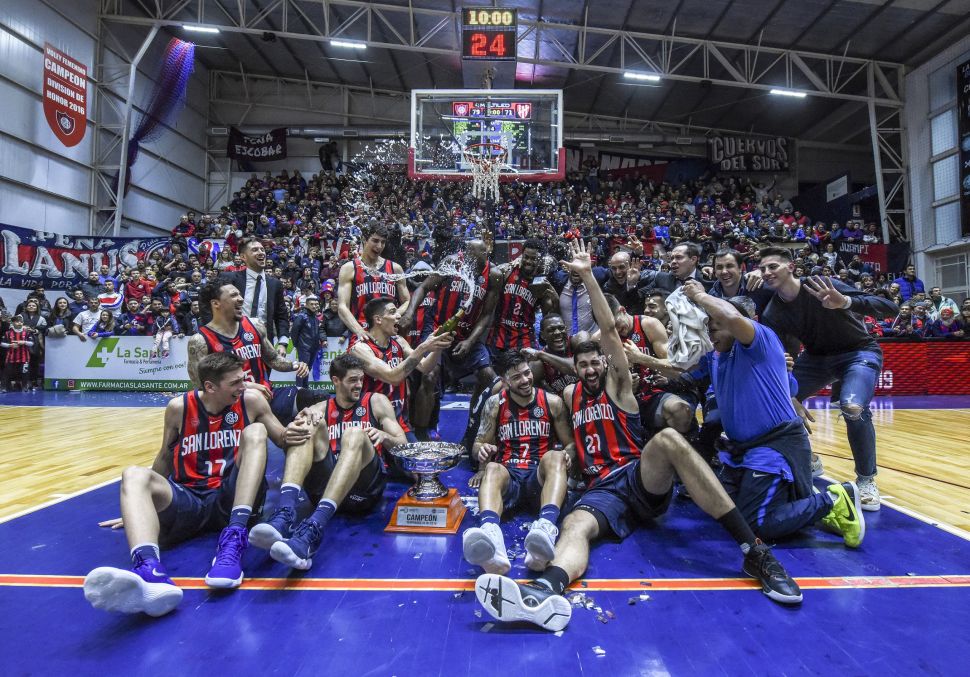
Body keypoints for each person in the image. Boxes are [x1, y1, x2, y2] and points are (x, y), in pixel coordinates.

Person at [475, 239, 802, 633]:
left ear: (605, 362)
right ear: (575, 368)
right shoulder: (568, 395)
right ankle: (544, 591)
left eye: (595, 362)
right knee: (575, 525)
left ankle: (755, 551)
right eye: (583, 365)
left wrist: (587, 276)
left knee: (667, 440)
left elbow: (609, 330)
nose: (590, 369)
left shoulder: (618, 385)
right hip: (601, 488)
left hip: (637, 476)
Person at [82, 352, 311, 616]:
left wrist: (300, 424)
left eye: (243, 379)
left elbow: (282, 438)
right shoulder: (178, 408)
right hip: (190, 499)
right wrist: (141, 505)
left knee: (256, 431)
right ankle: (149, 572)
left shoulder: (251, 401)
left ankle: (234, 536)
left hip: (231, 497)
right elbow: (165, 456)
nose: (244, 385)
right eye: (236, 382)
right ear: (210, 386)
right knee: (133, 474)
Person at [681, 280, 864, 545]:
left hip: (773, 447)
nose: (711, 334)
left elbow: (732, 318)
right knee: (722, 510)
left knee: (757, 524)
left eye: (715, 327)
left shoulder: (760, 338)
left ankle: (834, 499)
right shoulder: (719, 355)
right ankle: (798, 497)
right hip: (744, 449)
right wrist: (641, 360)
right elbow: (680, 368)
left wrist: (699, 295)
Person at [758, 246, 899, 510]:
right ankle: (810, 460)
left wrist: (845, 302)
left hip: (858, 351)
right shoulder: (772, 313)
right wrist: (788, 394)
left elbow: (890, 308)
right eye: (762, 268)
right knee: (773, 401)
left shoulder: (820, 283)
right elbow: (782, 359)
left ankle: (866, 480)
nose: (766, 272)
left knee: (853, 408)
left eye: (773, 266)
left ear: (791, 267)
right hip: (816, 359)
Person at [258, 354, 407, 570]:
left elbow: (404, 447)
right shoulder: (319, 408)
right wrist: (293, 428)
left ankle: (315, 526)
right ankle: (285, 513)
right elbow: (288, 444)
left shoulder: (376, 401)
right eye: (353, 380)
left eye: (361, 379)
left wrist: (385, 437)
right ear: (336, 380)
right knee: (307, 424)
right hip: (324, 488)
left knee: (355, 433)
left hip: (363, 490)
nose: (359, 385)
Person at [462, 350, 575, 574]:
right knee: (492, 468)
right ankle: (491, 538)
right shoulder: (495, 404)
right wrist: (482, 451)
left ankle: (546, 528)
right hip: (509, 479)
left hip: (538, 480)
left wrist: (568, 455)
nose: (524, 380)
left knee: (556, 455)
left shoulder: (552, 402)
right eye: (516, 377)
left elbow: (570, 443)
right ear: (504, 381)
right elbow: (477, 446)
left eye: (526, 373)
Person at [350, 297, 453, 441]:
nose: (399, 315)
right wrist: (423, 347)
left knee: (416, 455)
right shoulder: (360, 349)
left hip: (399, 422)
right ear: (378, 319)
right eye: (393, 312)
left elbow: (425, 367)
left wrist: (438, 346)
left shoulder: (399, 341)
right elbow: (393, 377)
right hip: (371, 423)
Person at [337, 221, 411, 341]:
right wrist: (359, 331)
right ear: (364, 239)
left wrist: (393, 315)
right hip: (362, 334)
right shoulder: (349, 268)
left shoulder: (395, 268)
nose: (379, 246)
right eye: (375, 241)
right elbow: (342, 307)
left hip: (388, 335)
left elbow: (407, 300)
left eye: (383, 242)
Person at [487, 238, 558, 357]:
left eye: (533, 258)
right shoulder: (507, 270)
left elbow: (547, 315)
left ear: (540, 259)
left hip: (524, 340)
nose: (528, 261)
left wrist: (555, 299)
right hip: (498, 337)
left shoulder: (541, 282)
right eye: (526, 257)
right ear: (521, 256)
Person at [218, 238, 292, 349]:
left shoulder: (275, 284)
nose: (261, 252)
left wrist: (282, 343)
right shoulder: (228, 279)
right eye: (255, 250)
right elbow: (211, 306)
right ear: (243, 257)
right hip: (233, 342)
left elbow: (281, 316)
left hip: (264, 344)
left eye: (262, 249)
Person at [523, 314, 580, 397]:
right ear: (542, 335)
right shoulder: (538, 363)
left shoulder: (577, 340)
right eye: (551, 330)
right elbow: (541, 396)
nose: (557, 332)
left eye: (561, 328)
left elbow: (576, 367)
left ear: (566, 329)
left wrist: (541, 354)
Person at [290, 295, 322, 387]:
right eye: (312, 304)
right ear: (307, 305)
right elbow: (294, 331)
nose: (314, 306)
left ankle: (304, 388)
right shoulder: (301, 316)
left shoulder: (315, 318)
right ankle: (299, 388)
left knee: (308, 368)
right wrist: (297, 344)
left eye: (316, 304)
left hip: (313, 347)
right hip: (304, 347)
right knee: (302, 369)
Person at [1, 315, 33, 393]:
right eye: (17, 321)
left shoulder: (27, 333)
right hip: (11, 357)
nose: (19, 323)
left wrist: (24, 342)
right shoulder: (8, 333)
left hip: (24, 357)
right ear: (13, 323)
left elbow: (32, 343)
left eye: (21, 321)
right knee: (7, 372)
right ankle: (3, 387)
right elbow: (1, 344)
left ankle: (25, 387)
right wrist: (10, 345)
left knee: (25, 372)